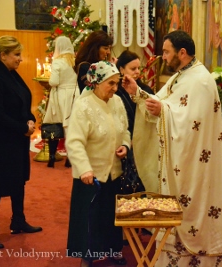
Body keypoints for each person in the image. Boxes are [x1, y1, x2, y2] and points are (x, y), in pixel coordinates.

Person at [122, 30, 222, 267]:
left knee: (195, 208)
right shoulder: (182, 75)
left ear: (182, 53)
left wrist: (164, 111)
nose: (164, 57)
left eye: (167, 52)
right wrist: (137, 92)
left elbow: (191, 123)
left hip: (195, 162)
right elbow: (163, 102)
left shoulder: (200, 80)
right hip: (183, 159)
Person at [0, 36, 42, 249]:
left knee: (17, 181)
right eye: (16, 55)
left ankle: (18, 220)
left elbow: (23, 99)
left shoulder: (10, 74)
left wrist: (30, 119)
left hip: (14, 139)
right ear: (2, 55)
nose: (20, 59)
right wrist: (23, 127)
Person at [65, 61, 131, 267]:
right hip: (90, 175)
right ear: (96, 82)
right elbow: (74, 141)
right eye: (110, 83)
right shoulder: (83, 106)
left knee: (111, 217)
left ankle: (113, 250)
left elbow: (126, 130)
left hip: (114, 172)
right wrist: (84, 169)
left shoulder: (118, 102)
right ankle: (88, 256)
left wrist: (125, 146)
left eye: (117, 83)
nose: (115, 88)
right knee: (90, 218)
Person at [115, 50, 158, 192]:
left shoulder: (145, 90)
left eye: (138, 68)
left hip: (141, 140)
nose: (137, 72)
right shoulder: (115, 91)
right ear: (121, 69)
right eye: (132, 69)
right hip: (120, 142)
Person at [43, 35, 79, 168]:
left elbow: (54, 82)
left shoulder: (58, 62)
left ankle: (52, 157)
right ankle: (70, 158)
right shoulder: (75, 60)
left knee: (54, 124)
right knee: (71, 126)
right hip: (75, 95)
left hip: (61, 95)